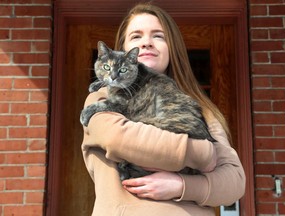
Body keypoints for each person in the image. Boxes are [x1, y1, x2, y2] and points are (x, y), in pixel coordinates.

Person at [81, 3, 245, 216]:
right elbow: (118, 139)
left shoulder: (201, 109)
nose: (146, 43)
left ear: (172, 47)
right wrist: (203, 152)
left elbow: (235, 181)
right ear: (123, 50)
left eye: (158, 36)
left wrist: (181, 185)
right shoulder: (100, 99)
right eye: (136, 36)